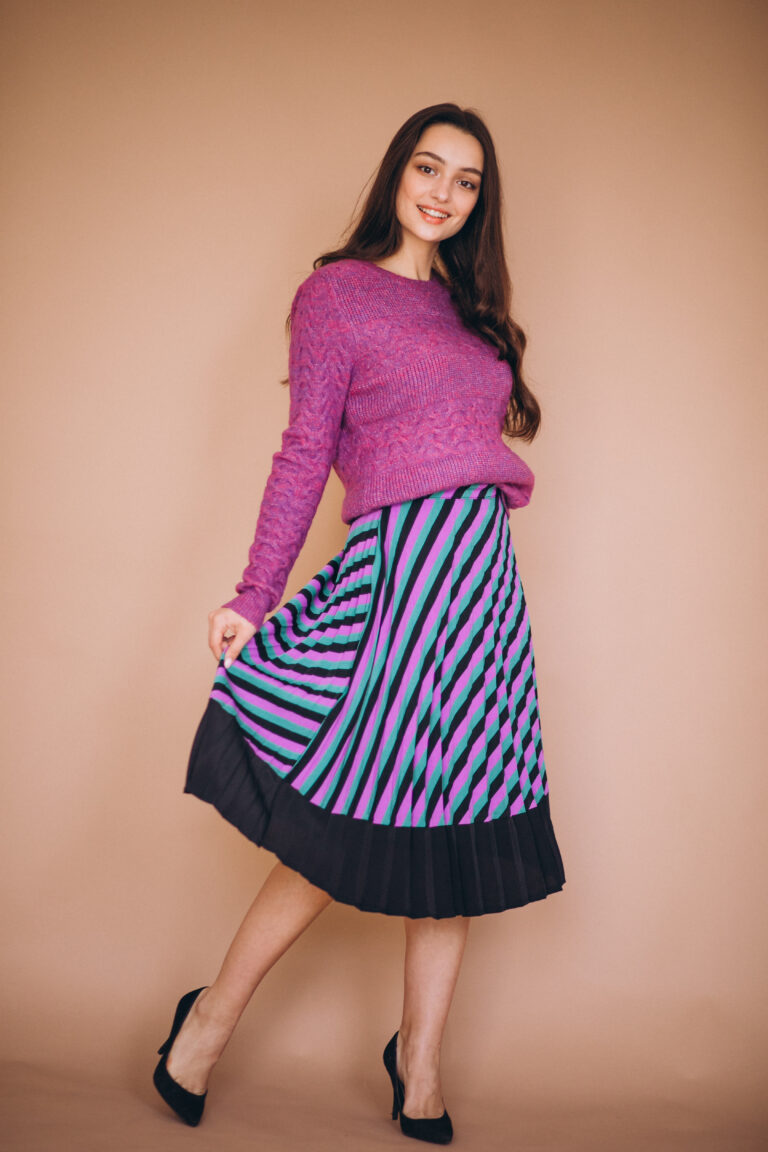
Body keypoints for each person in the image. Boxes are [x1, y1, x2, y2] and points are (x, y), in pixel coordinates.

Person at [151, 102, 566, 1145]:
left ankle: (417, 1067)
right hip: (399, 585)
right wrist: (253, 594)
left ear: (480, 202)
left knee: (462, 828)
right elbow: (304, 454)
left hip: (481, 593)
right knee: (342, 820)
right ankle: (204, 1025)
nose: (443, 191)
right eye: (429, 168)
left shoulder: (477, 318)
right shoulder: (335, 295)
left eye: (467, 181)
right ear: (397, 173)